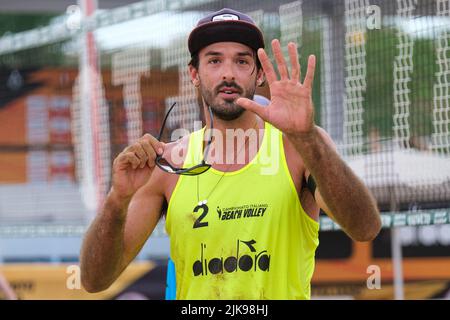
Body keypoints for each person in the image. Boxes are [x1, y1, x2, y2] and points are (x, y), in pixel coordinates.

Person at [80, 8, 381, 300]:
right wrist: (116, 200)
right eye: (214, 61)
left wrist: (307, 137)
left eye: (241, 61)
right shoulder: (169, 163)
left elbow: (365, 228)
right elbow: (94, 281)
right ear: (194, 74)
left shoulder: (299, 147)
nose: (228, 73)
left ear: (260, 74)